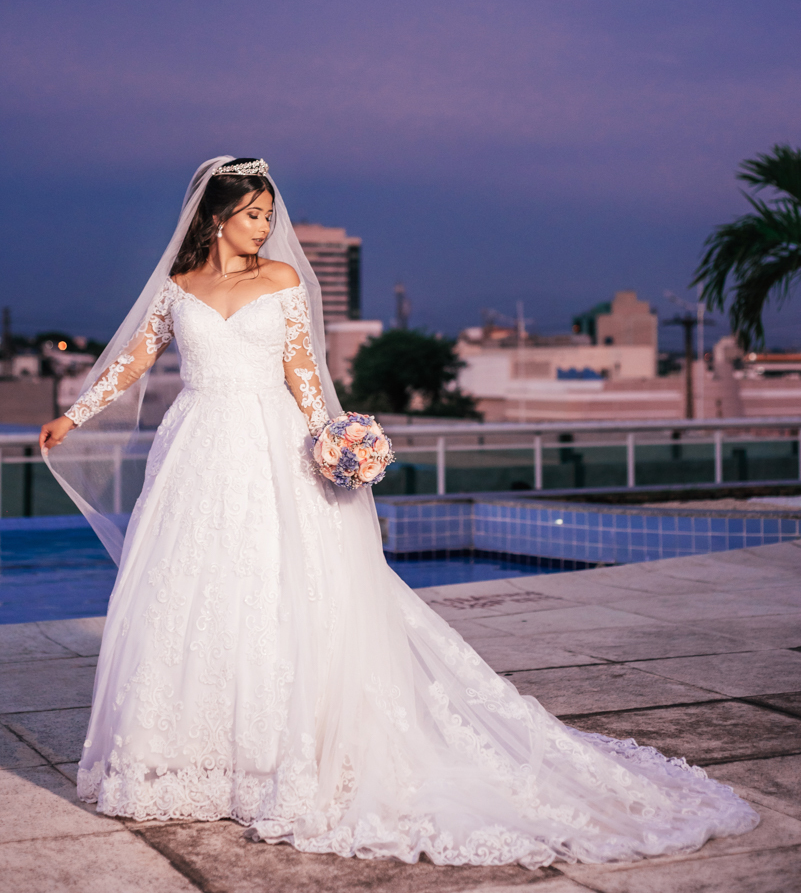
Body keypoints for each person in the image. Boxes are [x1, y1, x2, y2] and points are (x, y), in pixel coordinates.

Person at [40, 156, 758, 871]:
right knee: (193, 594)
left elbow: (302, 375)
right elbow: (131, 362)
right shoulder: (178, 287)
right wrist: (71, 417)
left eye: (268, 213)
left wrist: (334, 441)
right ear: (217, 216)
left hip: (270, 446)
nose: (265, 226)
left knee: (279, 590)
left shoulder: (282, 281)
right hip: (196, 450)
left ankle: (277, 762)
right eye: (253, 213)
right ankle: (187, 760)